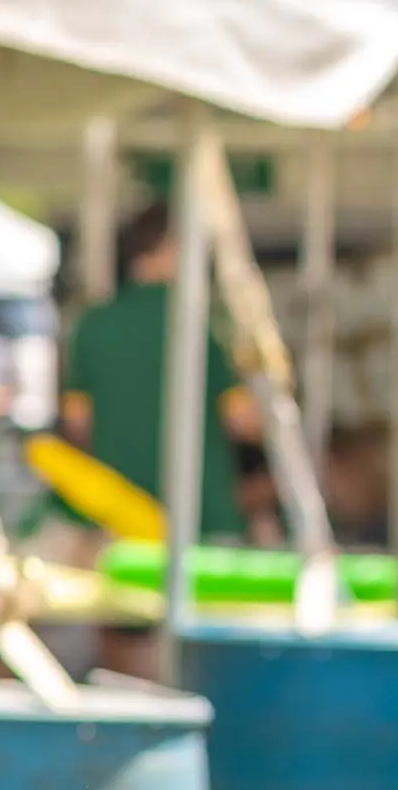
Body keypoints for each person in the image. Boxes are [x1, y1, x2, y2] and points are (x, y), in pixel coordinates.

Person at [44, 201, 260, 555]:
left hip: (120, 515)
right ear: (167, 245)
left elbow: (77, 422)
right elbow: (241, 420)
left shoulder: (91, 325)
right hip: (202, 512)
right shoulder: (206, 323)